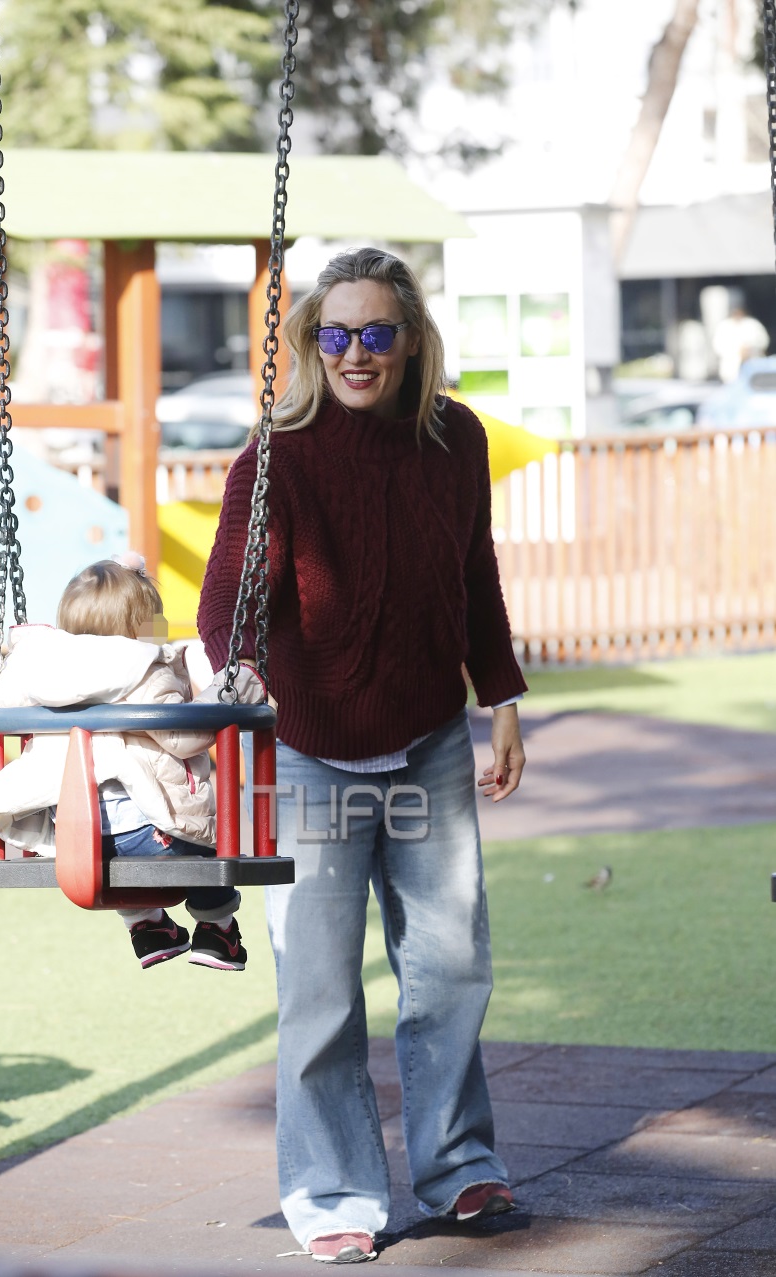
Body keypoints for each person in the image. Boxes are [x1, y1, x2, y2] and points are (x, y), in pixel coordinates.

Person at [198, 247, 528, 1264]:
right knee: (320, 988)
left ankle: (457, 1163)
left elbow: (473, 568)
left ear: (410, 341)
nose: (354, 352)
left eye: (376, 332)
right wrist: (238, 665)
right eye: (334, 333)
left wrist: (501, 695)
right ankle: (332, 1190)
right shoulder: (278, 455)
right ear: (310, 341)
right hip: (312, 754)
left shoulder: (455, 439)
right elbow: (228, 596)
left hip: (428, 740)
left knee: (449, 968)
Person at [0, 554, 265, 971]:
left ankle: (146, 926)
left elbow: (5, 703)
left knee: (117, 845)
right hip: (154, 836)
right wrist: (231, 690)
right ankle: (217, 930)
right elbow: (183, 737)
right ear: (140, 630)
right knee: (207, 849)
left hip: (75, 839)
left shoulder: (39, 671)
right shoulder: (143, 669)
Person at [712, 305, 769, 383]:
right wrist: (737, 351)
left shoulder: (753, 324)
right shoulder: (724, 326)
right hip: (731, 365)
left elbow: (763, 341)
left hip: (753, 362)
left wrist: (749, 349)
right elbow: (718, 346)